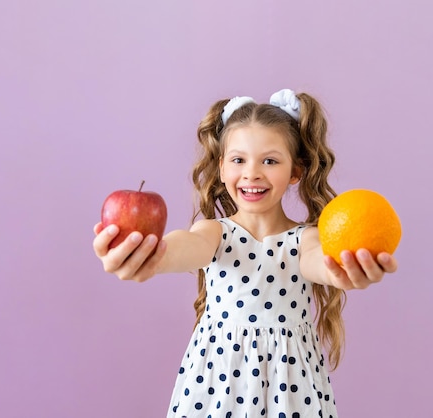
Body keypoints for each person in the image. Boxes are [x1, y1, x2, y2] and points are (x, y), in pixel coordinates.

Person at [93, 89, 398, 417]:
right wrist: (152, 256)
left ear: (295, 170)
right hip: (218, 388)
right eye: (239, 160)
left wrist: (342, 269)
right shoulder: (215, 233)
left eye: (270, 160)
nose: (252, 172)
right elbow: (185, 247)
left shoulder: (305, 239)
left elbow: (318, 262)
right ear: (222, 168)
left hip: (290, 391)